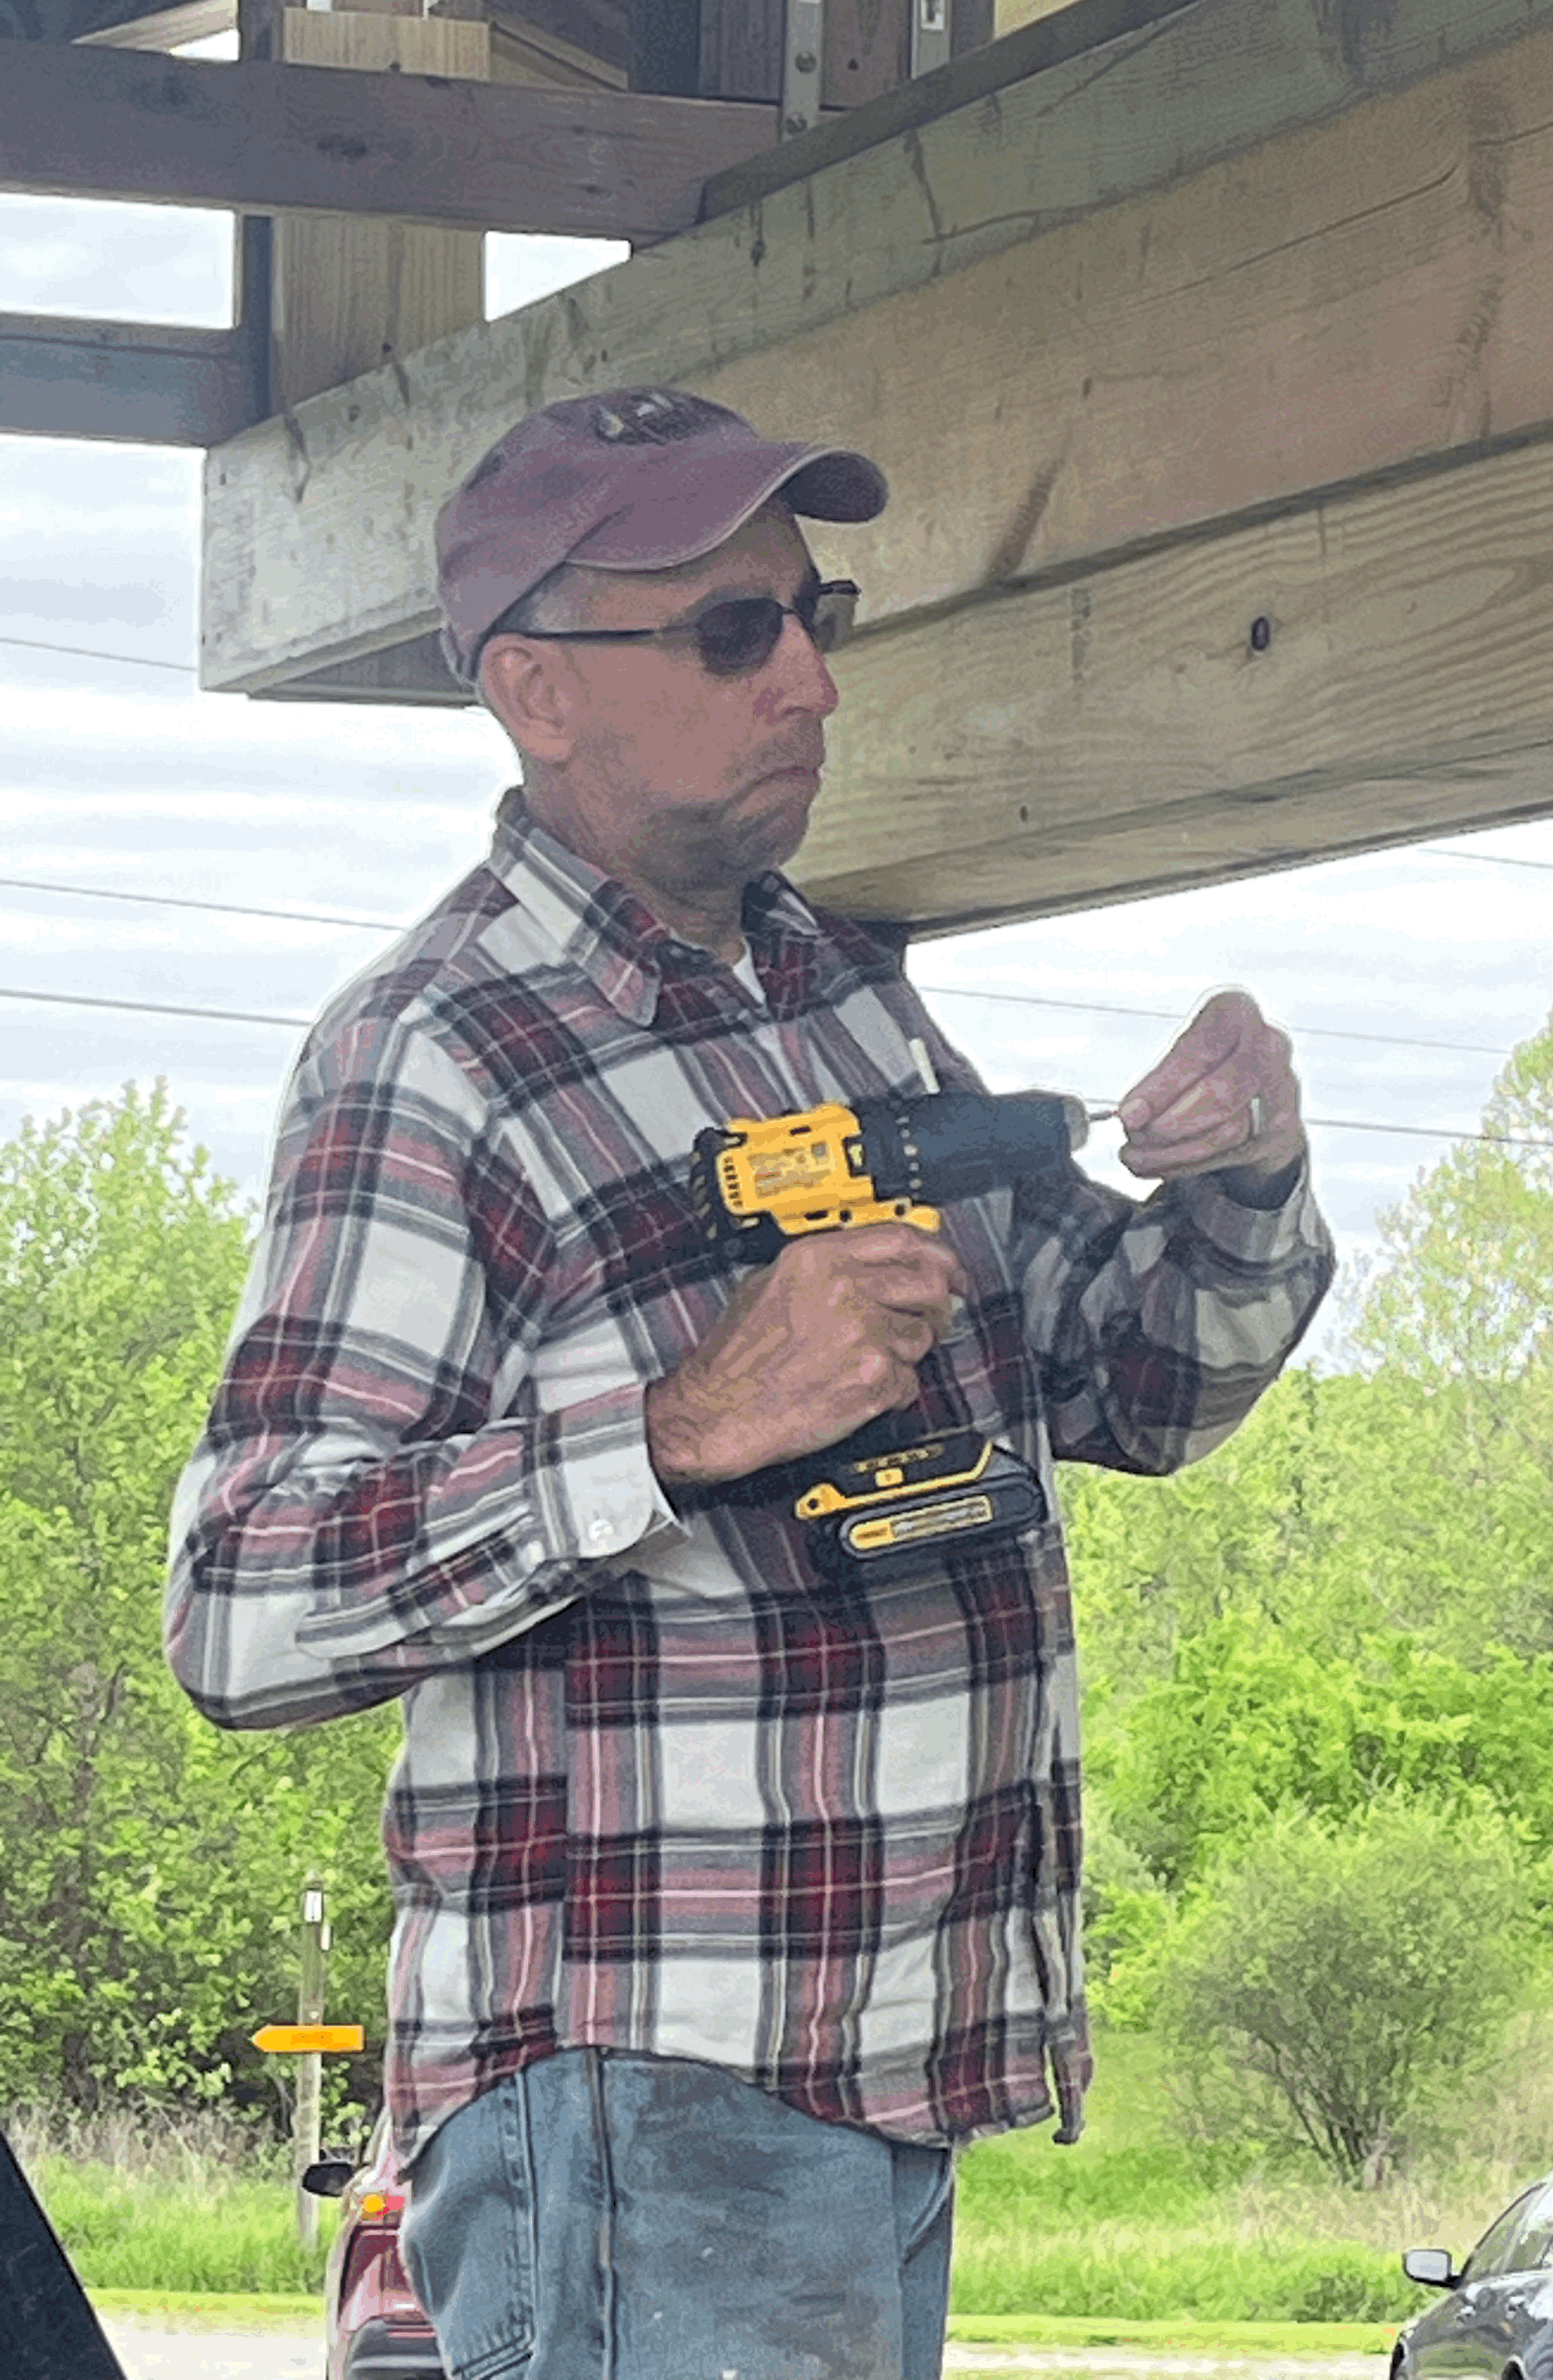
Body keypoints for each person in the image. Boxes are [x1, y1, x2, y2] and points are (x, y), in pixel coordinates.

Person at [165, 386, 1333, 2380]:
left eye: (815, 615)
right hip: (640, 2090)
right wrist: (682, 1426)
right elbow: (244, 1602)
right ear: (537, 688)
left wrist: (1241, 1185)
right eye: (728, 630)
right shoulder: (436, 1055)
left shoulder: (841, 997)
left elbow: (1129, 1382)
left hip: (873, 2074)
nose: (805, 675)